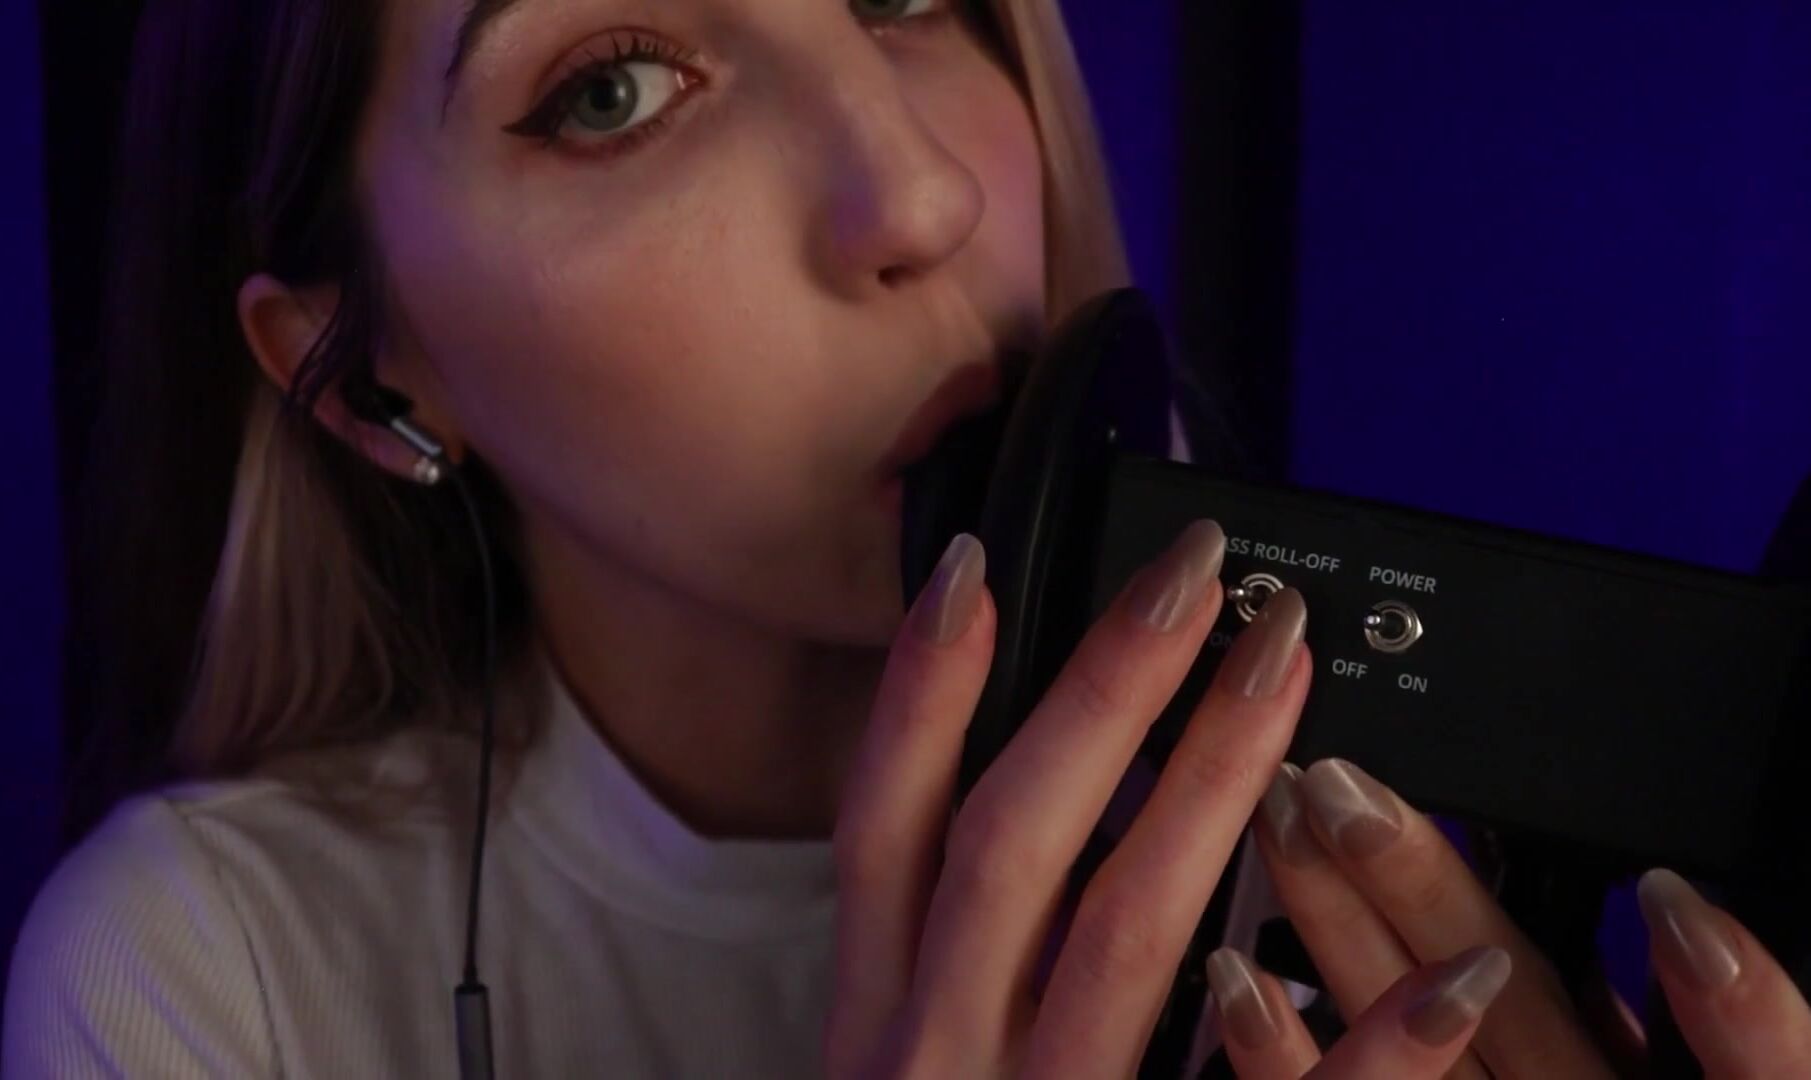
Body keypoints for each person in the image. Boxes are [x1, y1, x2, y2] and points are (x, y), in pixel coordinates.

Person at [6, 0, 1808, 1075]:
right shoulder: (208, 974)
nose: (919, 193)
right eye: (612, 85)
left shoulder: (1368, 881)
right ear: (363, 377)